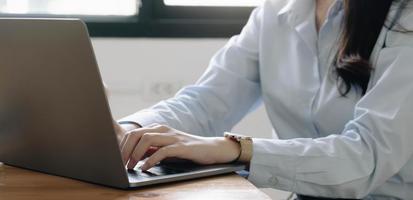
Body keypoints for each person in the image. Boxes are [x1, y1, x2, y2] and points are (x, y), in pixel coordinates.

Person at [113, 0, 413, 199]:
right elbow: (206, 100)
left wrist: (235, 149)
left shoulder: (405, 19)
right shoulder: (277, 10)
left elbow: (367, 156)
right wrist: (129, 130)